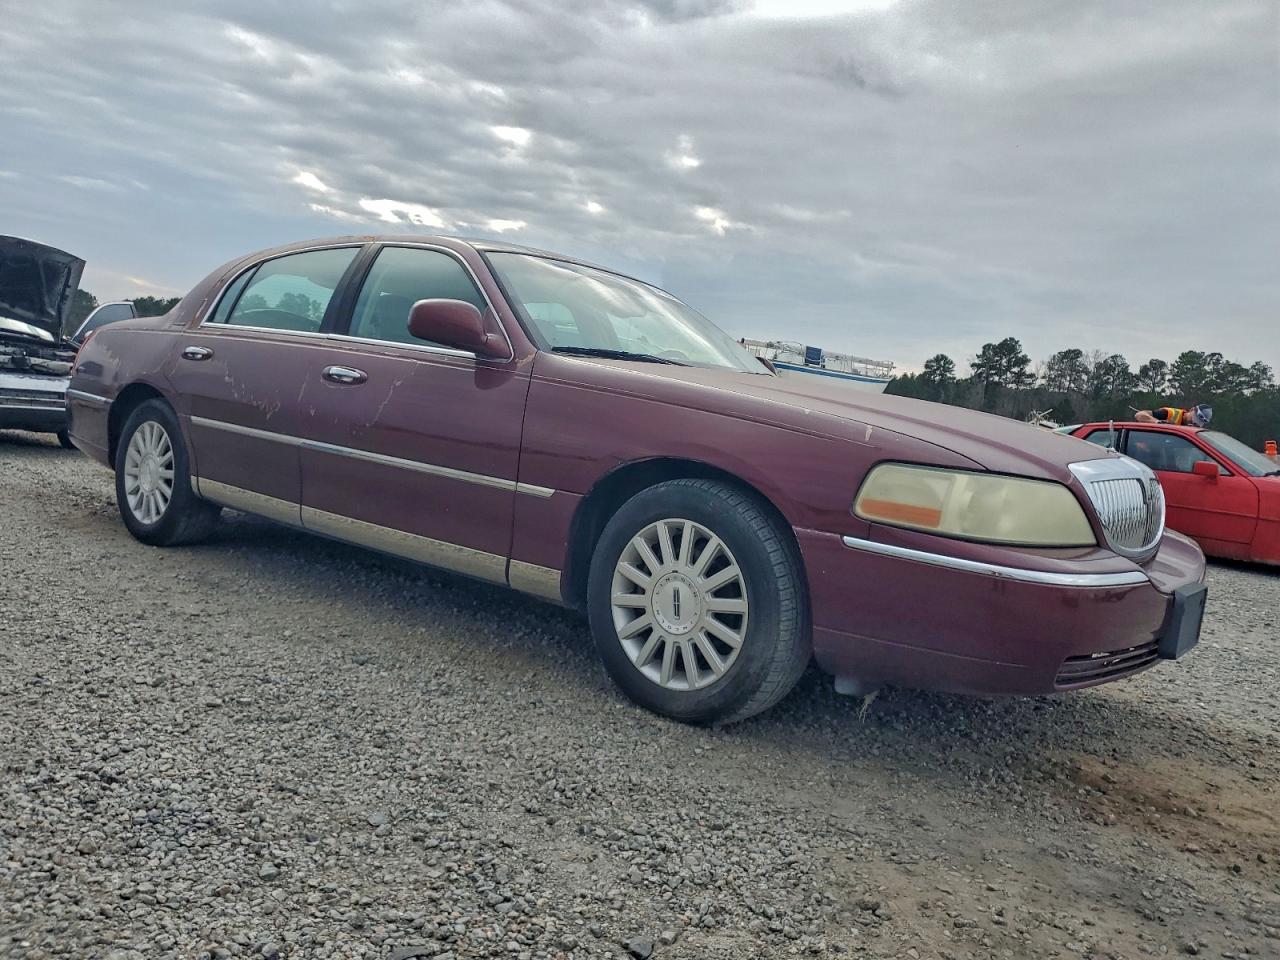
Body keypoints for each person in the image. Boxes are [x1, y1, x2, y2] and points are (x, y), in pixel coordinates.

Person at [1134, 403, 1213, 427]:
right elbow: (1139, 415)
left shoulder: (1194, 428)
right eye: (1194, 419)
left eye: (1197, 423)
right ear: (1192, 410)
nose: (1193, 423)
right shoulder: (1170, 414)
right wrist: (1158, 422)